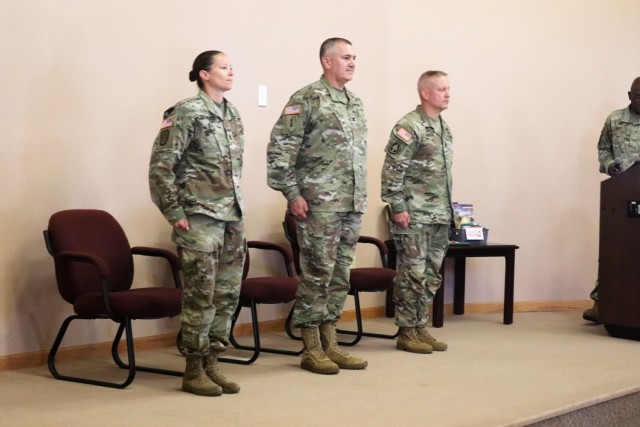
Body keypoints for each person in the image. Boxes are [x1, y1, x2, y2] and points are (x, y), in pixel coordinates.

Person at [267, 37, 368, 375]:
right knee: (317, 274)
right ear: (327, 61)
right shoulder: (307, 98)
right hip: (318, 204)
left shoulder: (355, 103)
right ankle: (311, 346)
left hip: (350, 204)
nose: (352, 62)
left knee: (340, 275)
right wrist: (292, 194)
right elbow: (280, 149)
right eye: (345, 57)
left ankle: (331, 341)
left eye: (354, 57)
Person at [148, 50, 245, 396]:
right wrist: (175, 213)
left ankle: (213, 362)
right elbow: (161, 167)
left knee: (226, 294)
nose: (230, 71)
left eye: (232, 67)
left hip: (231, 217)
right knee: (200, 296)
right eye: (223, 67)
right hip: (199, 218)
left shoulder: (231, 112)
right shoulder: (186, 111)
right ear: (204, 75)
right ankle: (193, 369)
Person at [381, 71, 453, 354]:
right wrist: (397, 207)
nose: (447, 93)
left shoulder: (444, 127)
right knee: (413, 274)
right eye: (441, 89)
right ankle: (407, 331)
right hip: (413, 214)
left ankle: (420, 325)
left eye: (448, 88)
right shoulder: (409, 126)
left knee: (432, 274)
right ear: (425, 93)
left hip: (439, 215)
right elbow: (392, 170)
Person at [583, 76, 640, 323]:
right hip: (620, 194)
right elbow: (603, 149)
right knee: (614, 250)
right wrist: (609, 165)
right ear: (629, 95)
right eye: (637, 96)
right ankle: (603, 303)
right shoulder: (615, 120)